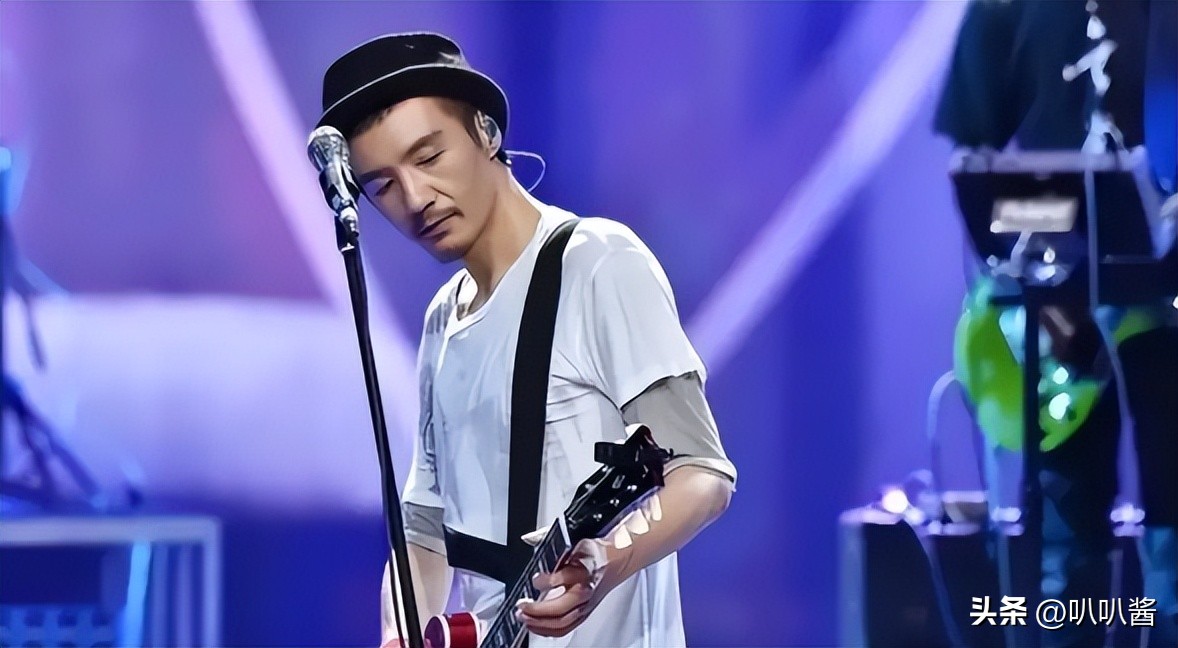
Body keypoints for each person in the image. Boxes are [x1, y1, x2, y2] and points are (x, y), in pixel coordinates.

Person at [314, 32, 737, 647]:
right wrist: (396, 632)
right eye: (382, 186)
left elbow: (701, 473)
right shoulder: (442, 319)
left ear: (486, 132)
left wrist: (606, 563)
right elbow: (426, 529)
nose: (415, 198)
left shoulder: (597, 263)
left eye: (429, 157)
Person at [936, 1, 1176, 646]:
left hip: (1164, 314)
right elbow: (974, 159)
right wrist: (1040, 274)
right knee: (1067, 546)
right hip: (1057, 318)